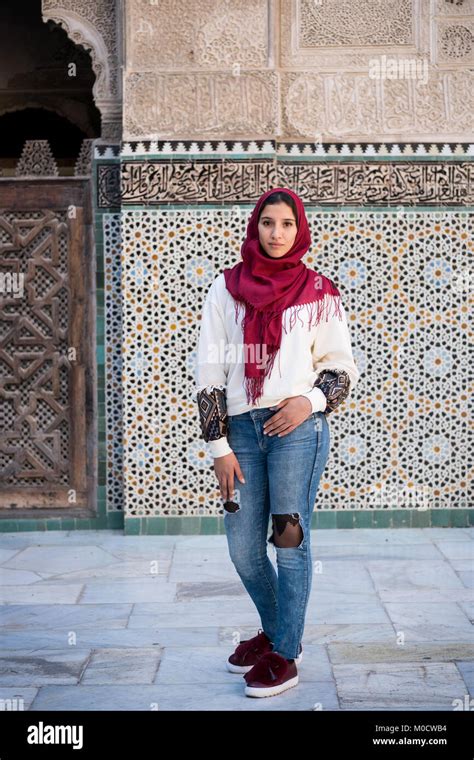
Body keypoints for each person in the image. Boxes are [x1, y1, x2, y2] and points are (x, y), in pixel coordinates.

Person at [194, 187, 360, 698]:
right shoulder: (225, 290)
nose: (276, 233)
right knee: (244, 548)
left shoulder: (320, 292)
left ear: (299, 229)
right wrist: (218, 447)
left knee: (289, 540)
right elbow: (208, 372)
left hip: (297, 432)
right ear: (255, 226)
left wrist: (306, 402)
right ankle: (279, 631)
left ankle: (284, 653)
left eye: (287, 224)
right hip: (241, 432)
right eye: (268, 222)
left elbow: (341, 370)